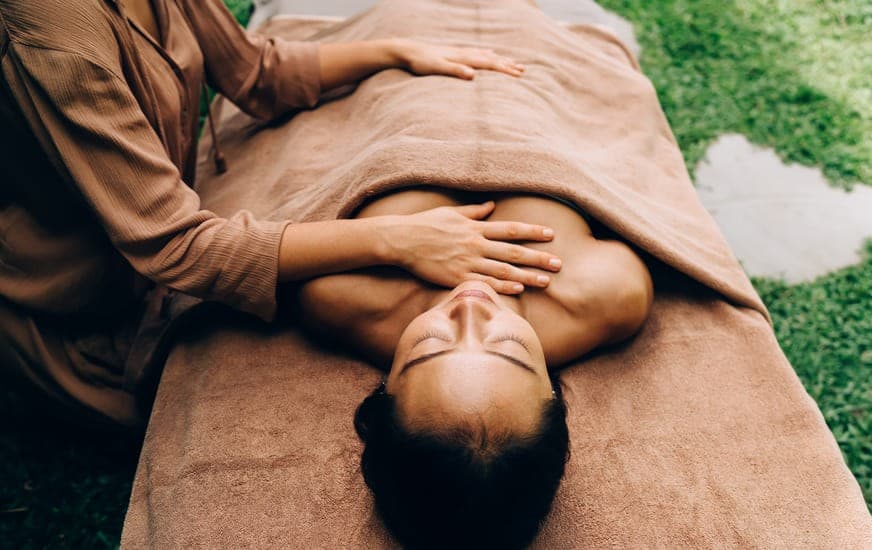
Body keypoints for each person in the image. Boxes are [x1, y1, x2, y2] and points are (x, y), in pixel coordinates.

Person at [0, 0, 565, 427]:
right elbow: (176, 248)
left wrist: (395, 53)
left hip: (152, 246)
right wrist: (396, 239)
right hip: (77, 300)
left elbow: (255, 74)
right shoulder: (56, 42)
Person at [299, 189, 654, 548]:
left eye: (430, 345)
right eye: (509, 346)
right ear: (551, 394)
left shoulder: (338, 295)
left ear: (384, 388)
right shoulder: (610, 295)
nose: (471, 307)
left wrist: (392, 240)